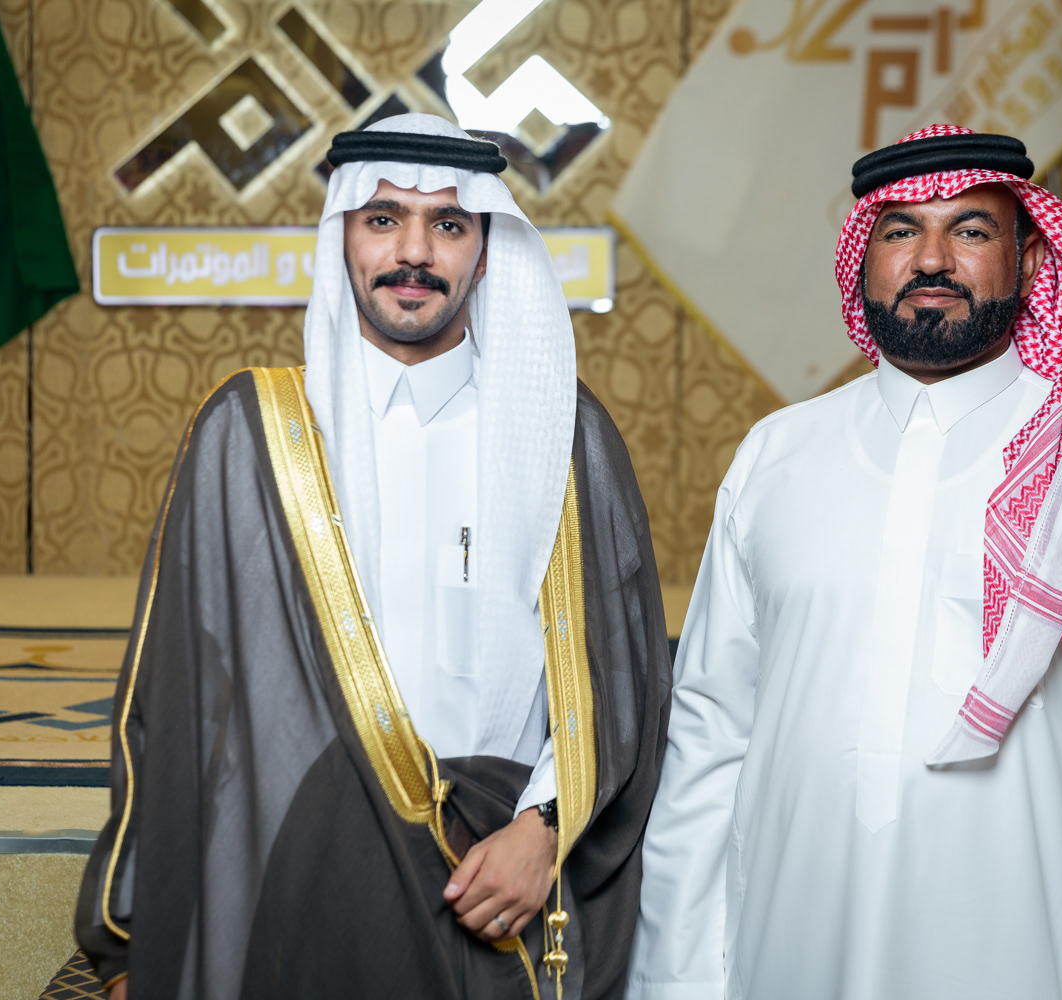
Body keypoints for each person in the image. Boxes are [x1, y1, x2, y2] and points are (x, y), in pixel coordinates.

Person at [627, 125, 1062, 999]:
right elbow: (708, 739)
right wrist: (676, 982)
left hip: (1040, 963)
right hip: (788, 950)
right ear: (862, 261)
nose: (931, 259)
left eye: (971, 230)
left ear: (1032, 258)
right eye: (901, 230)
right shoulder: (777, 455)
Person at [75, 113, 672, 1000]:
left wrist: (543, 832)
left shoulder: (562, 432)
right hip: (314, 880)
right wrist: (129, 941)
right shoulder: (255, 434)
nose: (414, 252)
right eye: (384, 219)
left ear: (485, 250)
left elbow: (622, 676)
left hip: (502, 883)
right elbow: (175, 696)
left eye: (449, 224)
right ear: (342, 236)